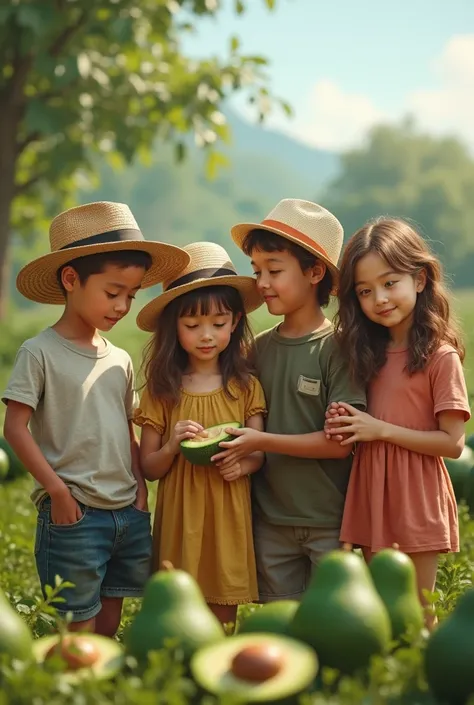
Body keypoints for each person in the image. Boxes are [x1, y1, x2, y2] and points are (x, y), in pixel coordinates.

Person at [2, 201, 190, 636]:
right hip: (75, 512)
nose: (122, 305)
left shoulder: (119, 360)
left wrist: (141, 490)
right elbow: (14, 428)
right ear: (71, 279)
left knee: (111, 613)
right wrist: (57, 492)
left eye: (131, 295)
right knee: (78, 623)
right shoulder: (39, 352)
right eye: (112, 292)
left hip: (126, 510)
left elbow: (126, 427)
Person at [212, 198, 366, 603]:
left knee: (333, 623)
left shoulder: (339, 348)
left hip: (330, 522)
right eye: (256, 271)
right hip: (270, 521)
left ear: (315, 272)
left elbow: (339, 444)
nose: (261, 283)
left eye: (274, 271)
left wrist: (261, 441)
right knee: (278, 628)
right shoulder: (257, 350)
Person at [325, 217, 470, 627]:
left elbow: (453, 443)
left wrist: (380, 430)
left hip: (417, 495)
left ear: (420, 279)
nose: (380, 299)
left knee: (418, 612)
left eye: (390, 283)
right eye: (365, 291)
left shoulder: (440, 357)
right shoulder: (362, 355)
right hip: (371, 490)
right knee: (377, 611)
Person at [133, 242, 267, 627]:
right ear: (173, 327)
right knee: (176, 610)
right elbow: (150, 467)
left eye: (219, 324)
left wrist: (243, 464)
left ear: (236, 321)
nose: (206, 335)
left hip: (229, 511)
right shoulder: (162, 389)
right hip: (180, 513)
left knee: (224, 606)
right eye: (192, 326)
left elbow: (257, 452)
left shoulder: (245, 386)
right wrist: (174, 444)